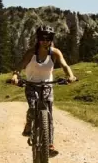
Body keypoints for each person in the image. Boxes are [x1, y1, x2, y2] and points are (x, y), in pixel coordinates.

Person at [9, 25, 77, 156]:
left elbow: (65, 65)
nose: (45, 41)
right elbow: (20, 65)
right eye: (42, 38)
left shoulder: (55, 52)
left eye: (49, 38)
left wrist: (70, 76)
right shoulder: (31, 53)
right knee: (33, 108)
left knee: (49, 116)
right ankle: (29, 124)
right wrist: (15, 76)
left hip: (47, 86)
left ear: (51, 39)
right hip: (31, 85)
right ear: (38, 39)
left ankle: (50, 144)